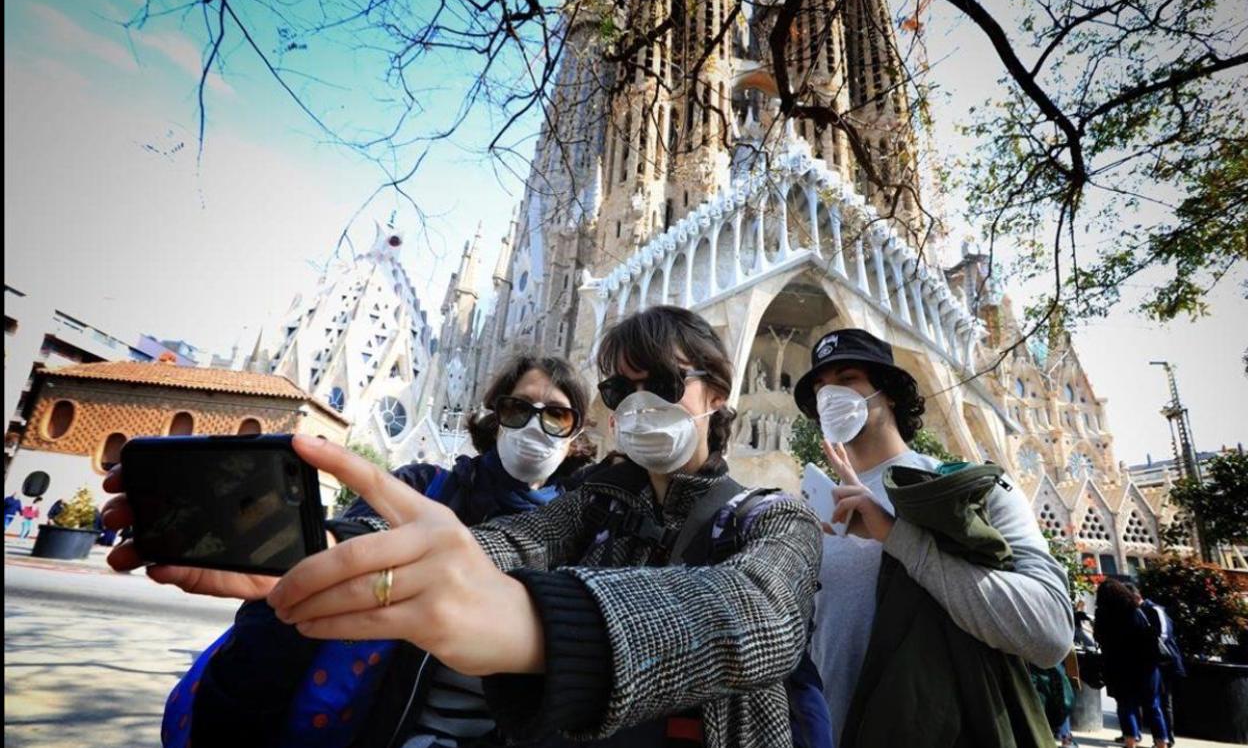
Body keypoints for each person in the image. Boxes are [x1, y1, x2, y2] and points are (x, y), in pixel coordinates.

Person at [107, 308, 824, 747]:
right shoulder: (590, 508)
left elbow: (760, 616)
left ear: (716, 394)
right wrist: (328, 553)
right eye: (618, 390)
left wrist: (542, 624)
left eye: (659, 385)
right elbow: (507, 543)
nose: (636, 406)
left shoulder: (770, 517)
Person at [106, 354, 597, 746]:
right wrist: (317, 551)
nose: (536, 426)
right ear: (496, 418)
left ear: (576, 435)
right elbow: (355, 537)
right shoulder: (422, 488)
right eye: (519, 408)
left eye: (557, 414)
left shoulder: (579, 532)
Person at [791, 328, 1074, 743]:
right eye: (819, 388)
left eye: (847, 379)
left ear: (888, 393)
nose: (829, 396)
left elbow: (1049, 633)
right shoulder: (814, 509)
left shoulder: (968, 490)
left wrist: (895, 536)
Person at [1095, 578, 1171, 748]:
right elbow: (1149, 635)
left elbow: (1098, 637)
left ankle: (1130, 742)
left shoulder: (1102, 614)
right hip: (1145, 665)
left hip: (1117, 666)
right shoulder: (1134, 611)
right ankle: (1161, 743)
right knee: (1153, 705)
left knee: (1125, 705)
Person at [1131, 582, 1186, 746]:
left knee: (1163, 700)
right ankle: (1139, 734)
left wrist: (1148, 648)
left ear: (1135, 596)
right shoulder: (1138, 611)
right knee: (1150, 700)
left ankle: (1167, 737)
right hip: (1150, 661)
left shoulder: (1154, 609)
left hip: (1165, 662)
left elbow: (1164, 634)